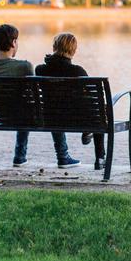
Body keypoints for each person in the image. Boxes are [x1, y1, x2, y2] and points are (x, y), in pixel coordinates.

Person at [0, 24, 80, 169]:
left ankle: (20, 156)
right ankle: (62, 156)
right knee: (48, 106)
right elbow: (35, 95)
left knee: (21, 105)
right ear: (13, 43)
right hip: (23, 117)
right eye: (16, 41)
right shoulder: (24, 66)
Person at [36, 32, 105, 169]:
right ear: (73, 50)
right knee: (99, 110)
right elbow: (95, 97)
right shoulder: (77, 71)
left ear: (54, 47)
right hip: (78, 119)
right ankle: (100, 158)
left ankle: (64, 155)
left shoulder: (40, 69)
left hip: (49, 117)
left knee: (55, 106)